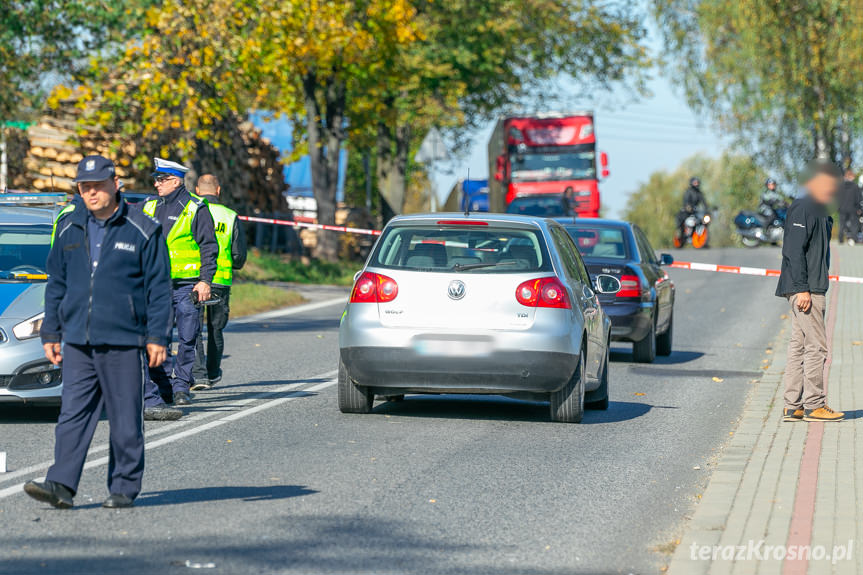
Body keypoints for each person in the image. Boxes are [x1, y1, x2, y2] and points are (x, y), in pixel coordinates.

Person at [24, 155, 172, 509]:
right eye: (84, 187)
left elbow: (159, 287)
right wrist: (51, 333)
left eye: (97, 186)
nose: (91, 193)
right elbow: (56, 283)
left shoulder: (142, 228)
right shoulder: (69, 227)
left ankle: (123, 487)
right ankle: (61, 484)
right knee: (72, 415)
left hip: (123, 339)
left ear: (115, 183)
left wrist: (157, 337)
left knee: (124, 418)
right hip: (77, 339)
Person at [141, 158, 218, 417]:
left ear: (175, 181)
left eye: (161, 179)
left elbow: (209, 246)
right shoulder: (149, 206)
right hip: (153, 286)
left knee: (187, 336)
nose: (156, 184)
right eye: (156, 179)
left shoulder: (196, 208)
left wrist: (205, 280)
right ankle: (163, 386)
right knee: (157, 338)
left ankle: (182, 386)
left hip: (186, 286)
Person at [776, 160, 844, 423]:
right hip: (806, 290)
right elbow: (793, 250)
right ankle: (814, 404)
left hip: (812, 286)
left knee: (799, 346)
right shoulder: (804, 207)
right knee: (817, 347)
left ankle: (792, 406)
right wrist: (802, 289)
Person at [191, 174, 247, 390]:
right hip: (220, 281)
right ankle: (213, 373)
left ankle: (199, 375)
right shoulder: (230, 216)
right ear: (218, 190)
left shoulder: (190, 211)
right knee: (215, 330)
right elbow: (239, 256)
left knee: (192, 328)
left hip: (194, 280)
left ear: (197, 189)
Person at [837, 169, 861, 244]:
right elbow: (858, 198)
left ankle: (840, 239)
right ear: (851, 177)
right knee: (854, 224)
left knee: (842, 224)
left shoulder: (841, 186)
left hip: (842, 208)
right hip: (852, 208)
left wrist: (838, 207)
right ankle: (854, 238)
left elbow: (837, 197)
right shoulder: (855, 186)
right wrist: (859, 208)